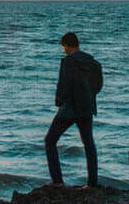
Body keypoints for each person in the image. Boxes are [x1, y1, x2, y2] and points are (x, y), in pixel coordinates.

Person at [44, 32, 102, 188]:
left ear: (67, 45)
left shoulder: (68, 62)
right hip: (87, 108)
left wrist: (59, 101)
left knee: (50, 141)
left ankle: (57, 181)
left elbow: (64, 85)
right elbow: (98, 85)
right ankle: (92, 183)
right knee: (89, 144)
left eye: (63, 47)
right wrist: (88, 96)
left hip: (69, 108)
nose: (63, 50)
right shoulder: (93, 63)